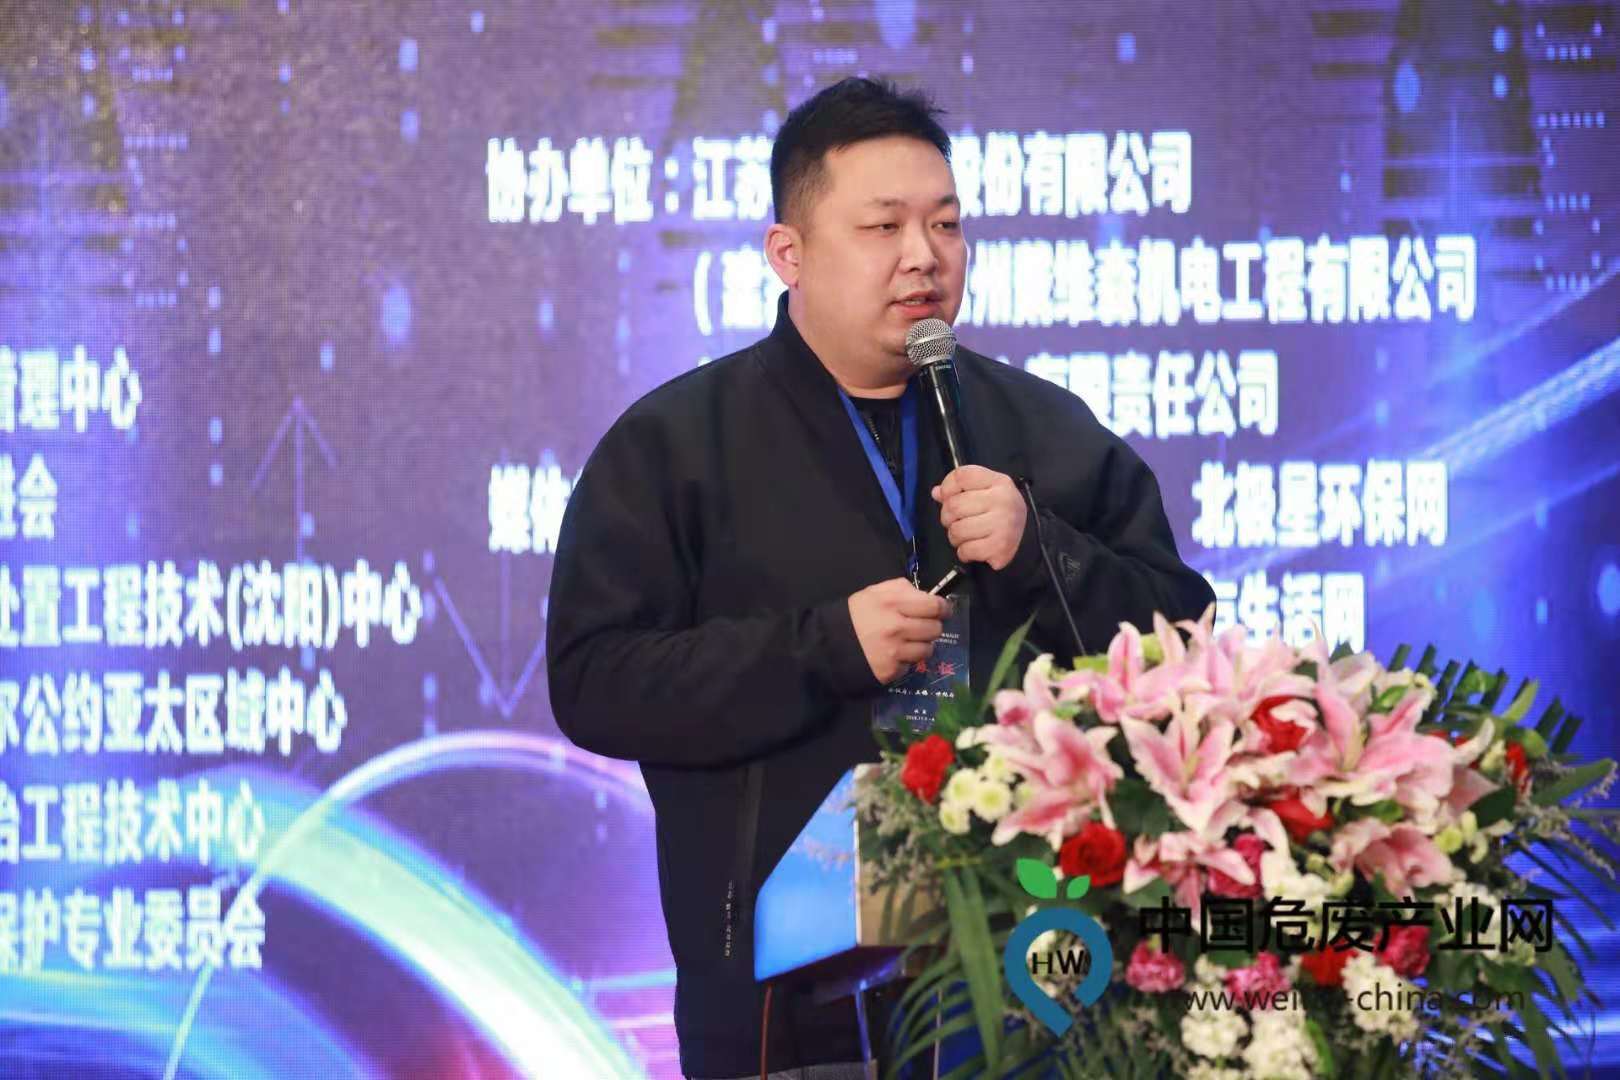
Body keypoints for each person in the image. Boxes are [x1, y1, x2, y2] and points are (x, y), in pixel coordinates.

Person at [545, 76, 1215, 1080]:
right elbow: (595, 681)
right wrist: (822, 647)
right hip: (781, 997)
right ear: (789, 253)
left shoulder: (1043, 431)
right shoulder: (677, 446)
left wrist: (1044, 550)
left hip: (1044, 968)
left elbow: (1185, 640)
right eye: (884, 226)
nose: (924, 256)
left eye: (945, 224)